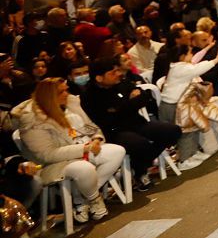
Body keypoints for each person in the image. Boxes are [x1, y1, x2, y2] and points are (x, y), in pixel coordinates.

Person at [12, 78, 126, 223]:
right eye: (61, 91)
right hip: (52, 164)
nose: (66, 94)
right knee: (84, 168)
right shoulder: (32, 119)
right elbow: (46, 155)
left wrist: (97, 139)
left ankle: (82, 199)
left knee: (117, 151)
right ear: (49, 96)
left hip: (83, 147)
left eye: (67, 89)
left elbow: (91, 127)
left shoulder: (71, 103)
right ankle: (94, 200)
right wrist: (84, 148)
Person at [80, 57, 180, 191]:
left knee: (172, 131)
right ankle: (141, 172)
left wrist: (124, 106)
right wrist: (129, 103)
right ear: (99, 78)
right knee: (140, 144)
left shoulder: (121, 82)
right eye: (112, 73)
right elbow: (108, 118)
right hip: (114, 132)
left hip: (137, 123)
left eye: (117, 71)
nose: (118, 74)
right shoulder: (89, 95)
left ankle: (139, 167)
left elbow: (146, 96)